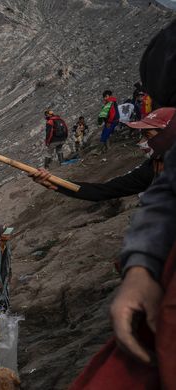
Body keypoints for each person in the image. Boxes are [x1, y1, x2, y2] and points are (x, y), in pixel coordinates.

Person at [69, 19, 176, 389]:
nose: (144, 141)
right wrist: (142, 268)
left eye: (149, 133)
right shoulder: (161, 166)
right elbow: (136, 191)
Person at [30, 107, 175, 201]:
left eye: (148, 135)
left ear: (169, 135)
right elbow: (105, 190)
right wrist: (53, 183)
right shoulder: (153, 167)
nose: (141, 142)